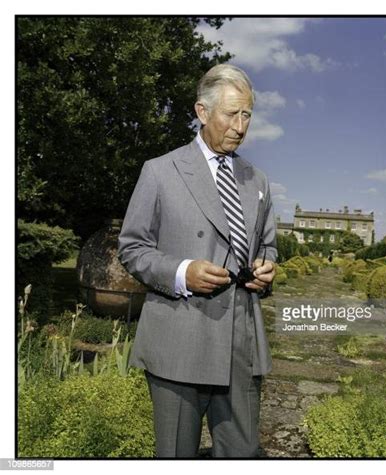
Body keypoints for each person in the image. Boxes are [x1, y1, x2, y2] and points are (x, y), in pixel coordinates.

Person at [117, 63, 277, 458]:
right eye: (231, 114)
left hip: (242, 346)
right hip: (179, 344)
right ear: (202, 113)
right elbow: (132, 247)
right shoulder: (159, 171)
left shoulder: (258, 181)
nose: (240, 126)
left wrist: (266, 267)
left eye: (247, 115)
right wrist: (181, 272)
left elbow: (269, 247)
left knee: (243, 455)